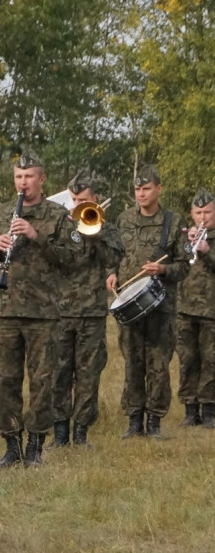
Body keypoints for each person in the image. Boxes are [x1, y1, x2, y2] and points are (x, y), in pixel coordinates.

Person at [0, 152, 82, 468]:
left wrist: (37, 237)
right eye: (19, 177)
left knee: (43, 381)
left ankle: (35, 445)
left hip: (43, 313)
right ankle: (11, 446)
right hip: (6, 311)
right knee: (5, 380)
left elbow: (73, 258)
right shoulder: (0, 213)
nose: (23, 183)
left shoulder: (58, 214)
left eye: (29, 177)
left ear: (41, 179)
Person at [105, 165, 188, 439]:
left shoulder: (172, 223)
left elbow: (185, 266)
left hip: (160, 307)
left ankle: (154, 421)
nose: (141, 194)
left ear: (158, 189)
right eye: (138, 189)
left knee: (158, 365)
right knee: (132, 363)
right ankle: (133, 420)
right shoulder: (124, 219)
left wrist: (163, 270)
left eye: (146, 188)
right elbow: (113, 255)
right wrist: (112, 273)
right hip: (129, 303)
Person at [50, 174, 123, 447]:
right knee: (58, 374)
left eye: (84, 200)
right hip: (60, 310)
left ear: (94, 199)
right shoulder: (59, 226)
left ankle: (81, 434)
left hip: (91, 312)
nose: (78, 204)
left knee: (88, 374)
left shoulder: (108, 227)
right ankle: (59, 433)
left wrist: (95, 230)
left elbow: (113, 258)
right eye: (75, 200)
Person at [174, 188, 215, 428]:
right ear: (191, 213)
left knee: (211, 360)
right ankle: (190, 410)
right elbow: (178, 265)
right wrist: (187, 244)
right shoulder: (186, 236)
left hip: (211, 310)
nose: (203, 218)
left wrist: (208, 252)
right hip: (186, 309)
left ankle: (210, 410)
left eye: (208, 212)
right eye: (198, 212)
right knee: (187, 360)